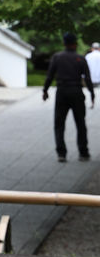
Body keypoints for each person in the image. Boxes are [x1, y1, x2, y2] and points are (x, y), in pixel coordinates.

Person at [43, 31, 94, 161]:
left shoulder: (57, 57)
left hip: (62, 91)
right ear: (75, 44)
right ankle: (83, 152)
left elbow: (49, 76)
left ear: (64, 43)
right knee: (80, 123)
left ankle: (61, 153)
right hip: (77, 92)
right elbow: (87, 79)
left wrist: (45, 90)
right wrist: (92, 94)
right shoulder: (80, 59)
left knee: (59, 124)